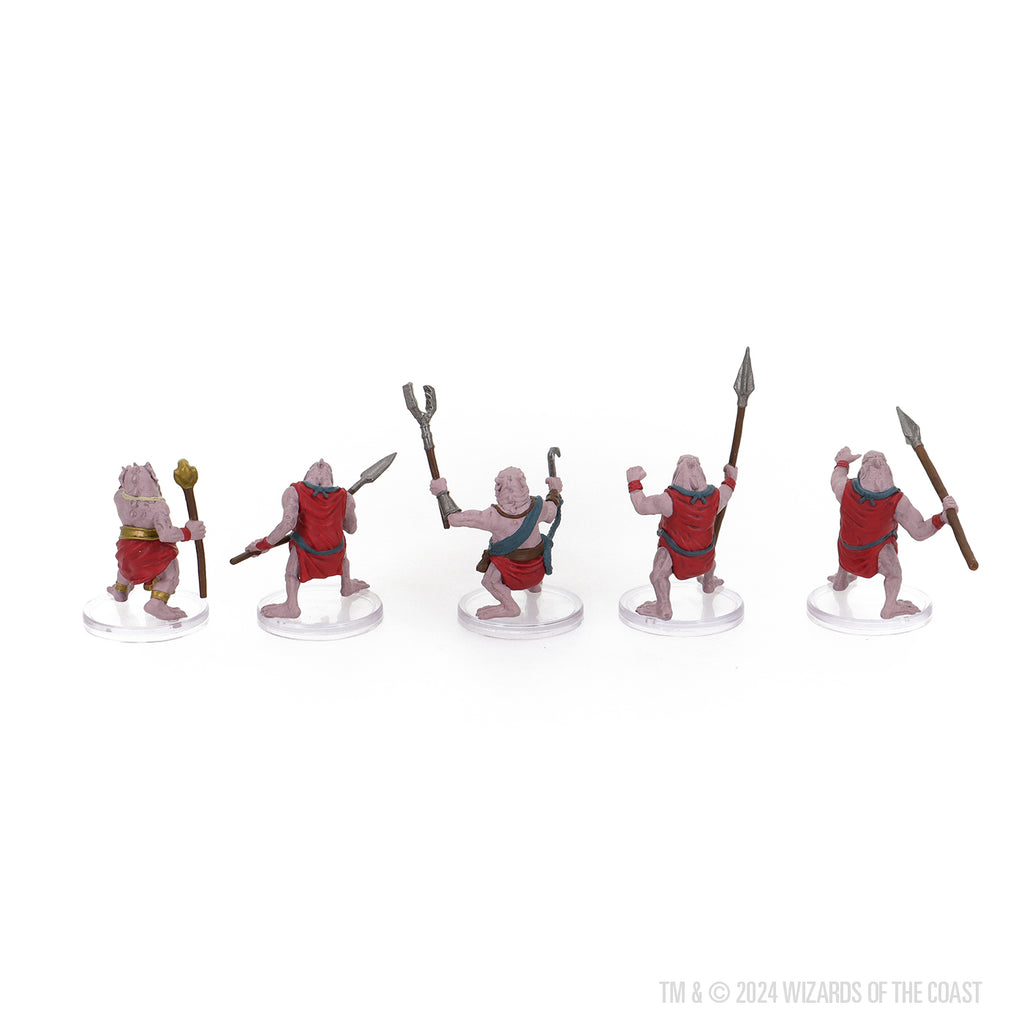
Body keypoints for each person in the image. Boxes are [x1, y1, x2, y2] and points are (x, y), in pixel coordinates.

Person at [828, 447, 957, 618]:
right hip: (874, 557)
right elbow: (919, 532)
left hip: (847, 556)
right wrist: (942, 518)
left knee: (848, 539)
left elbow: (837, 478)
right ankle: (890, 607)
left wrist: (843, 461)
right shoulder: (897, 502)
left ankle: (840, 581)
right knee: (895, 574)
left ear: (862, 470)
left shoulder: (844, 489)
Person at [431, 467, 562, 619]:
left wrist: (441, 492)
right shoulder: (539, 507)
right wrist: (554, 489)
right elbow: (552, 511)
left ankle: (510, 607)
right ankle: (534, 588)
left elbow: (454, 519)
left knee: (489, 581)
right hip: (538, 572)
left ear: (499, 489)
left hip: (511, 577)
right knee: (534, 550)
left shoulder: (492, 517)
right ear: (523, 485)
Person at [246, 459, 367, 618]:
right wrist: (339, 510)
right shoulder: (346, 497)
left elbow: (288, 523)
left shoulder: (293, 492)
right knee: (342, 552)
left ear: (307, 474)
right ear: (331, 477)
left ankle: (291, 606)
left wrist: (263, 545)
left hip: (307, 551)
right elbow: (351, 529)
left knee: (291, 573)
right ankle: (347, 584)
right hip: (335, 553)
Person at [626, 455, 737, 620]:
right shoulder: (715, 497)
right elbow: (727, 491)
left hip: (677, 557)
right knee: (707, 553)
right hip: (704, 561)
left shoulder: (669, 500)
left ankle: (663, 607)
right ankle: (708, 582)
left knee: (658, 575)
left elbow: (641, 506)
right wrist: (731, 476)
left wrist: (633, 481)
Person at [108, 462, 206, 620]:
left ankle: (120, 590)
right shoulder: (158, 508)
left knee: (125, 566)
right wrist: (189, 532)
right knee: (170, 573)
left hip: (127, 551)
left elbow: (123, 488)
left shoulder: (119, 498)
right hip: (150, 554)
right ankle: (157, 603)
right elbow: (166, 534)